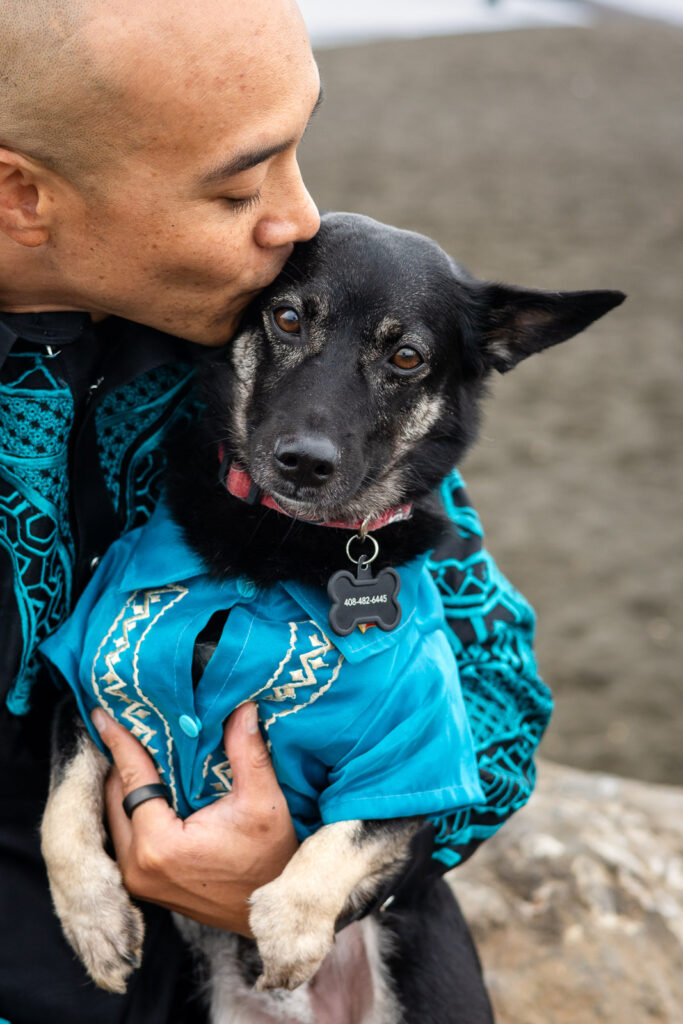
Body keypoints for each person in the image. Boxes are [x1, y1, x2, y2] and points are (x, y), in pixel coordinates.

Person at [0, 2, 551, 1022]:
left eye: (300, 147)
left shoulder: (276, 361)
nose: (298, 220)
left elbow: (497, 705)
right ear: (23, 193)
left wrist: (311, 856)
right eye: (241, 181)